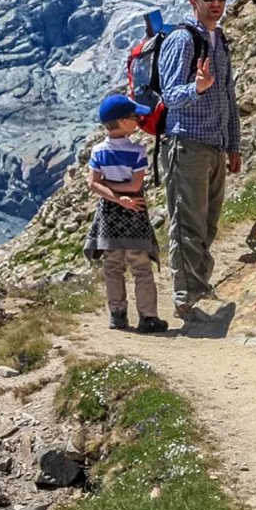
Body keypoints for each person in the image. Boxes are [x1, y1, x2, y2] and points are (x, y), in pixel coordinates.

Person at [158, 0, 241, 323]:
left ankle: (196, 289)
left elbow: (228, 96)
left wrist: (233, 145)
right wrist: (198, 87)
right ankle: (185, 299)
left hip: (214, 147)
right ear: (194, 1)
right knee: (187, 225)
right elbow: (170, 95)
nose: (216, 3)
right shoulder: (183, 40)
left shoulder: (219, 40)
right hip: (186, 144)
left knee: (206, 225)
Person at [83, 94, 168, 334]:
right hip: (134, 212)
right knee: (140, 266)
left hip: (108, 214)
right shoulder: (137, 150)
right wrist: (124, 196)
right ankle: (148, 317)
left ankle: (117, 315)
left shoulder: (98, 151)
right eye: (134, 117)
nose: (138, 120)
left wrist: (111, 193)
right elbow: (134, 185)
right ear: (122, 123)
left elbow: (92, 184)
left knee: (112, 267)